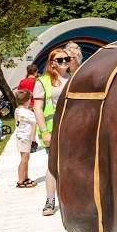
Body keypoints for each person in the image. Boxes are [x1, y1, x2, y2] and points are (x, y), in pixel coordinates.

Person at [35, 47, 73, 216]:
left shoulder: (74, 78)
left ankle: (74, 200)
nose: (64, 62)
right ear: (52, 63)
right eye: (60, 60)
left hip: (73, 129)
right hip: (53, 129)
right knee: (53, 166)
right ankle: (50, 201)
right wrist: (44, 132)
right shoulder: (43, 81)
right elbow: (37, 108)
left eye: (67, 59)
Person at [13, 88, 37, 188]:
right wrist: (33, 139)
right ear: (28, 101)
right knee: (24, 159)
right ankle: (20, 180)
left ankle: (25, 177)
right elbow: (34, 126)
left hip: (20, 137)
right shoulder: (29, 113)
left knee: (25, 158)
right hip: (26, 137)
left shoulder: (17, 110)